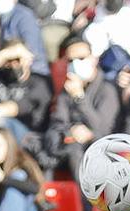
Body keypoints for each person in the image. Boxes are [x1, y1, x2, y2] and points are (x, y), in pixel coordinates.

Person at [41, 37, 120, 182]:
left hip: (100, 150)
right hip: (67, 144)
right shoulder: (67, 89)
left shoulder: (107, 90)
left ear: (94, 59)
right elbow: (57, 123)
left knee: (76, 152)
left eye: (81, 58)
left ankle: (88, 202)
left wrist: (79, 97)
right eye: (71, 60)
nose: (76, 63)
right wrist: (71, 132)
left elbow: (103, 129)